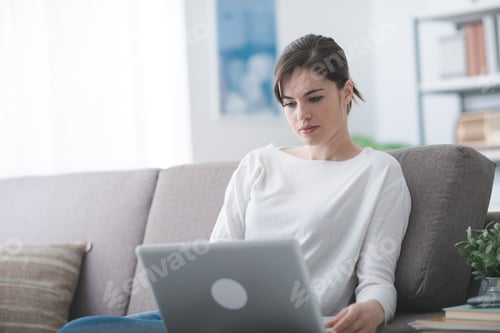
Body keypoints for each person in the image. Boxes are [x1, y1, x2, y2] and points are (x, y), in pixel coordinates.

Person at [58, 33, 410, 333]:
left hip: (293, 325)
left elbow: (378, 278)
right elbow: (216, 258)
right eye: (289, 103)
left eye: (314, 98)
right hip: (216, 320)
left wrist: (374, 310)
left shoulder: (378, 173)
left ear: (345, 91)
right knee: (79, 328)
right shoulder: (259, 163)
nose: (301, 115)